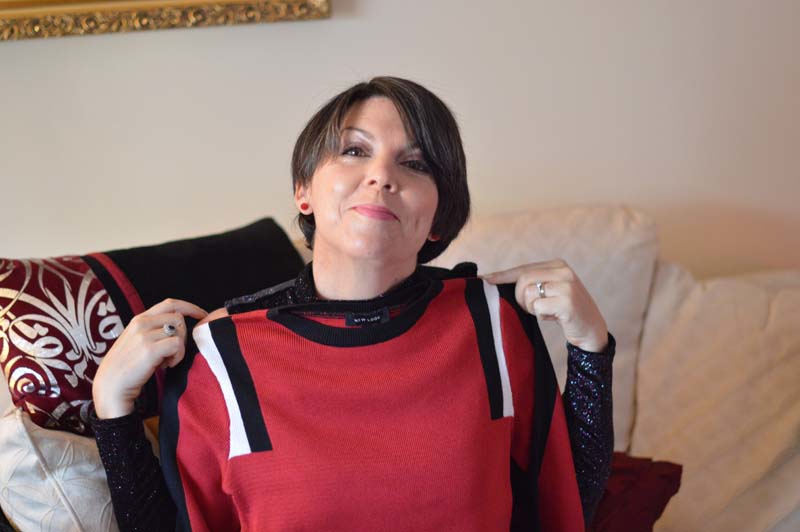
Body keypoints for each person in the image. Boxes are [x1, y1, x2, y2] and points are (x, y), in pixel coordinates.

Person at [91, 76, 615, 531]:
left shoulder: (491, 325)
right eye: (355, 151)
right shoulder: (221, 356)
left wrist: (591, 349)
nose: (382, 175)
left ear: (439, 217)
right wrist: (112, 407)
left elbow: (563, 508)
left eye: (414, 163)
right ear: (303, 190)